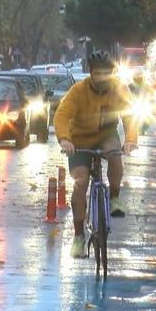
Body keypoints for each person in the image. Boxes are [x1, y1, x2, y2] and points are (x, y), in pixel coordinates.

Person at [54, 50, 138, 258]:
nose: (103, 78)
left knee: (115, 156)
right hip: (79, 140)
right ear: (90, 73)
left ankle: (115, 198)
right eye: (98, 74)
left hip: (106, 134)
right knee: (80, 182)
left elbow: (130, 115)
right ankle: (79, 236)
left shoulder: (119, 89)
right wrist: (65, 139)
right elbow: (62, 115)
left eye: (107, 73)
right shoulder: (77, 91)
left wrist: (129, 140)